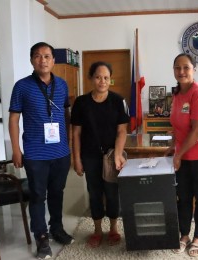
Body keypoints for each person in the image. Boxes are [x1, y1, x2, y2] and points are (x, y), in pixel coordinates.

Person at [9, 42, 74, 259]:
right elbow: (14, 118)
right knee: (38, 195)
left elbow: (66, 115)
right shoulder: (21, 86)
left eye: (47, 56)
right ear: (31, 60)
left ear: (54, 60)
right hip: (35, 153)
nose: (43, 60)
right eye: (38, 56)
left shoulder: (63, 85)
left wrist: (69, 144)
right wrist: (16, 149)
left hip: (61, 153)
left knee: (57, 192)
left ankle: (56, 228)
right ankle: (41, 237)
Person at [165, 53, 198, 257]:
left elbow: (197, 131)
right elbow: (177, 126)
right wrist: (174, 147)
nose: (181, 72)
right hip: (184, 154)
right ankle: (184, 235)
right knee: (183, 197)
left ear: (194, 70)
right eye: (177, 68)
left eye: (186, 67)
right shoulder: (177, 94)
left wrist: (178, 155)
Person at [70, 61, 129, 248]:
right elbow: (76, 133)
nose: (102, 81)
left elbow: (122, 131)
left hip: (112, 156)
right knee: (94, 192)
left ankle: (113, 228)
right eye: (98, 77)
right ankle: (97, 230)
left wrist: (119, 155)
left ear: (110, 79)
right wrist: (76, 159)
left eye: (106, 77)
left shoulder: (118, 101)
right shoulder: (81, 103)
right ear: (91, 78)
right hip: (90, 156)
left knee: (112, 193)